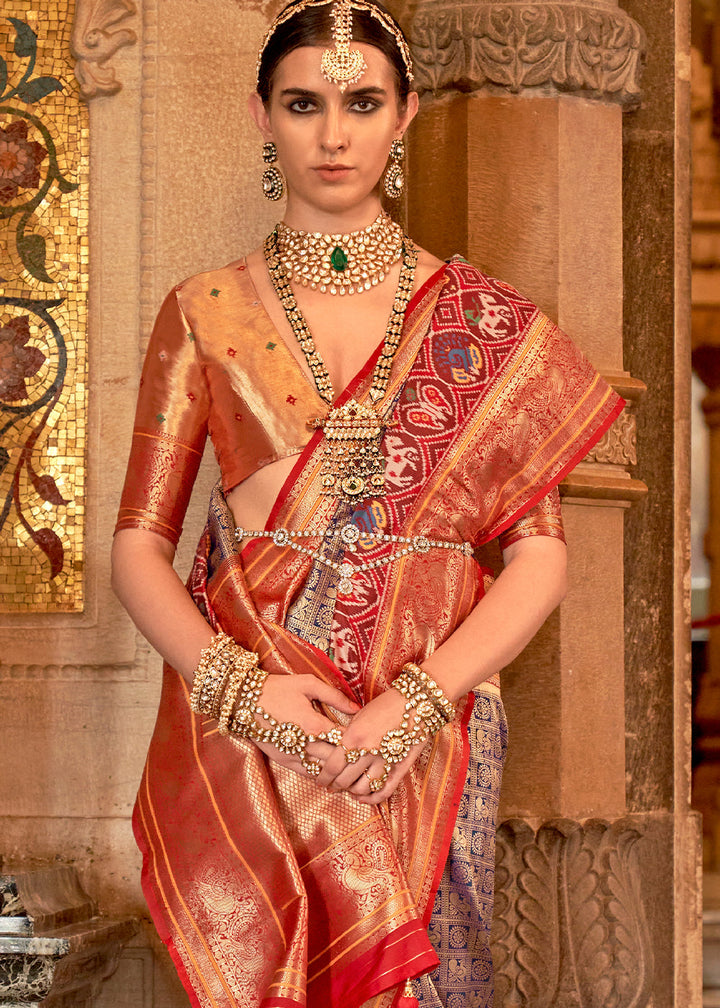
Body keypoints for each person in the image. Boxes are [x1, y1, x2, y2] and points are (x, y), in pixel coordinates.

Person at [111, 1, 623, 1005]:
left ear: (406, 114)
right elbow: (138, 544)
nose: (334, 135)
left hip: (428, 716)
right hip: (260, 711)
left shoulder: (484, 324)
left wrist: (417, 704)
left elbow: (541, 555)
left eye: (362, 103)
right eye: (304, 104)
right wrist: (246, 696)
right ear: (263, 116)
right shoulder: (204, 309)